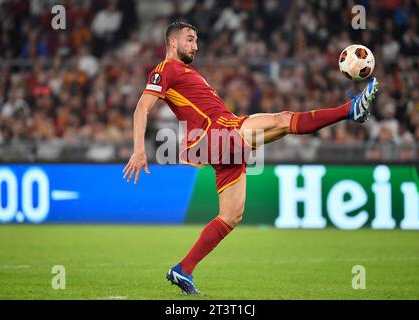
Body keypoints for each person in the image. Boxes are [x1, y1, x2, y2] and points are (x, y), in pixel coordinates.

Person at [122, 21, 378, 295]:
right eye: (189, 39)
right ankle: (350, 110)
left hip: (222, 140)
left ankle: (183, 270)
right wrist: (139, 149)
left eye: (196, 40)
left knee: (231, 215)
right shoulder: (165, 69)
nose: (195, 46)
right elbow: (141, 108)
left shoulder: (189, 73)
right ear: (173, 42)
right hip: (214, 133)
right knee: (282, 121)